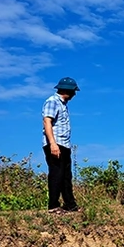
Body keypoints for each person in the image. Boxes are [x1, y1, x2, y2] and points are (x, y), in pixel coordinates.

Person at [42, 77, 80, 214]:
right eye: (73, 91)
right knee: (56, 174)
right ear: (67, 91)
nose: (74, 94)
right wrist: (52, 144)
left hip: (64, 144)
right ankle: (53, 205)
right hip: (55, 143)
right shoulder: (52, 102)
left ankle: (70, 204)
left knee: (66, 176)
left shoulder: (63, 104)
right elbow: (47, 122)